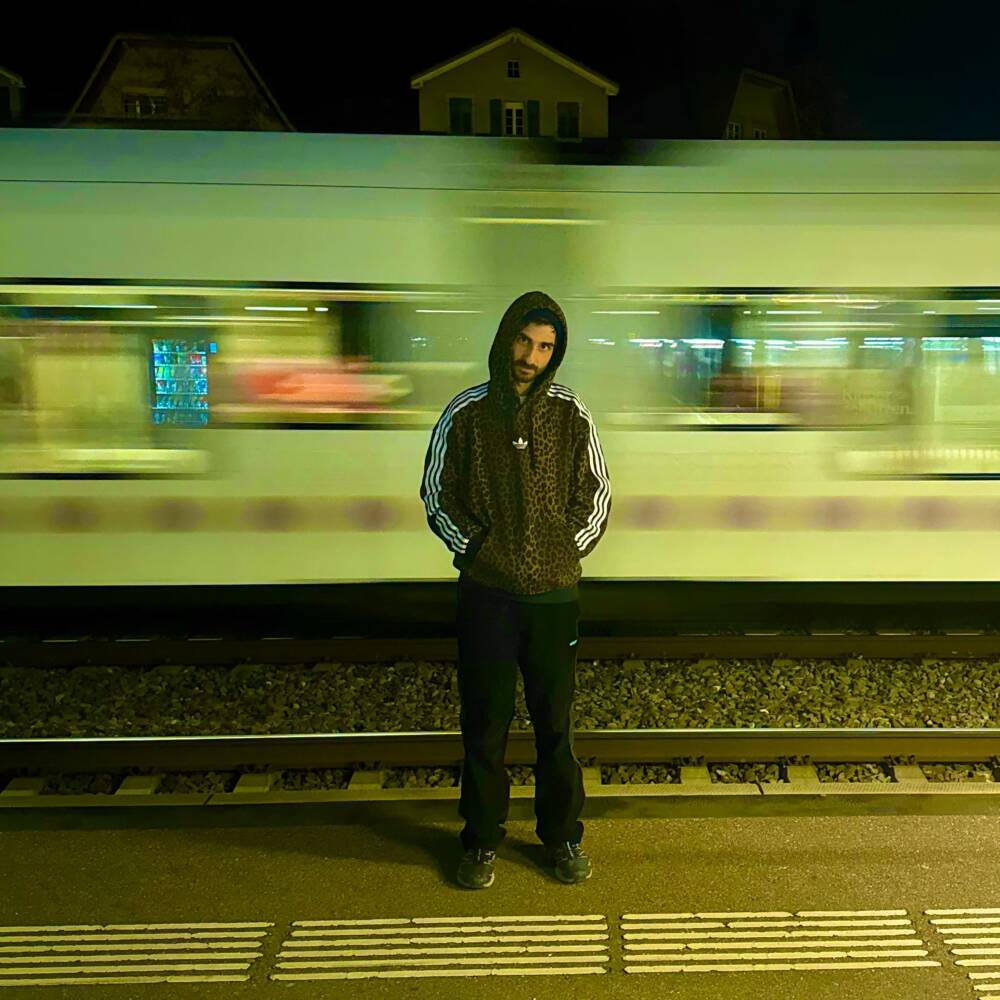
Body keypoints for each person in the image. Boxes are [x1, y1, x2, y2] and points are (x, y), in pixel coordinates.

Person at [420, 290, 612, 889]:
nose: (531, 356)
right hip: (488, 596)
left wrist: (562, 552)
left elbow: (596, 493)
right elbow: (437, 493)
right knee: (485, 726)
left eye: (545, 347)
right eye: (524, 341)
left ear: (557, 353)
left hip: (554, 599)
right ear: (506, 339)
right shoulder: (467, 412)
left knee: (556, 727)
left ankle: (562, 837)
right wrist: (478, 550)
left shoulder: (571, 413)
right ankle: (480, 841)